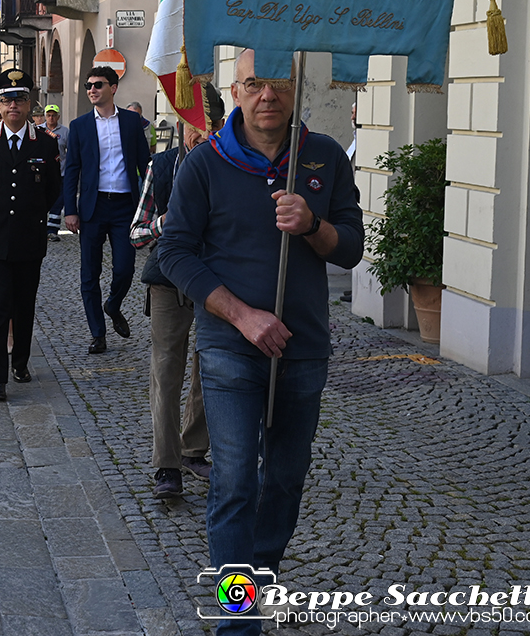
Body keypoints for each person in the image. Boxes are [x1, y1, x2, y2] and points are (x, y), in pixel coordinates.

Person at [157, 49, 363, 632]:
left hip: (302, 346)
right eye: (252, 83)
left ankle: (257, 578)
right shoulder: (206, 163)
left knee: (285, 482)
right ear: (236, 90)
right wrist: (242, 316)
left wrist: (314, 225)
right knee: (235, 480)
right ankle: (238, 620)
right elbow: (174, 251)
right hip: (230, 345)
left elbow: (351, 245)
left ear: (294, 88)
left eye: (276, 82)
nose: (265, 94)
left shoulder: (322, 158)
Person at [130, 84, 226, 499]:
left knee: (210, 368)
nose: (199, 133)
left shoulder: (232, 167)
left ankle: (193, 449)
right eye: (192, 124)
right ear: (182, 124)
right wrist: (161, 224)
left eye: (208, 124)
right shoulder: (163, 165)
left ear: (221, 125)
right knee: (166, 371)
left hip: (216, 282)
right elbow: (135, 233)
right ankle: (166, 465)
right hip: (169, 279)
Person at [0, 70, 61, 401]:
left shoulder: (45, 143)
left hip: (28, 240)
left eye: (19, 99)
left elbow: (52, 190)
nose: (13, 106)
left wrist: (31, 216)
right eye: (6, 100)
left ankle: (20, 361)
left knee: (24, 305)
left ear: (30, 104)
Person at [63, 66, 152, 353]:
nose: (91, 89)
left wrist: (151, 204)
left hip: (125, 206)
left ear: (113, 88)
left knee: (125, 269)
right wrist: (70, 210)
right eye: (89, 85)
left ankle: (113, 305)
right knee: (89, 273)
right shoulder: (80, 126)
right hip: (93, 206)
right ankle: (97, 333)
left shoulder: (130, 122)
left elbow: (145, 164)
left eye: (98, 85)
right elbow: (72, 170)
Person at [43, 104, 69, 240]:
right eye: (48, 115)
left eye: (53, 115)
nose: (51, 117)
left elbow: (70, 151)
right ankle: (40, 228)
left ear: (58, 116)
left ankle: (52, 230)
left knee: (58, 202)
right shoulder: (39, 130)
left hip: (61, 173)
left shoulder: (65, 131)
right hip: (43, 173)